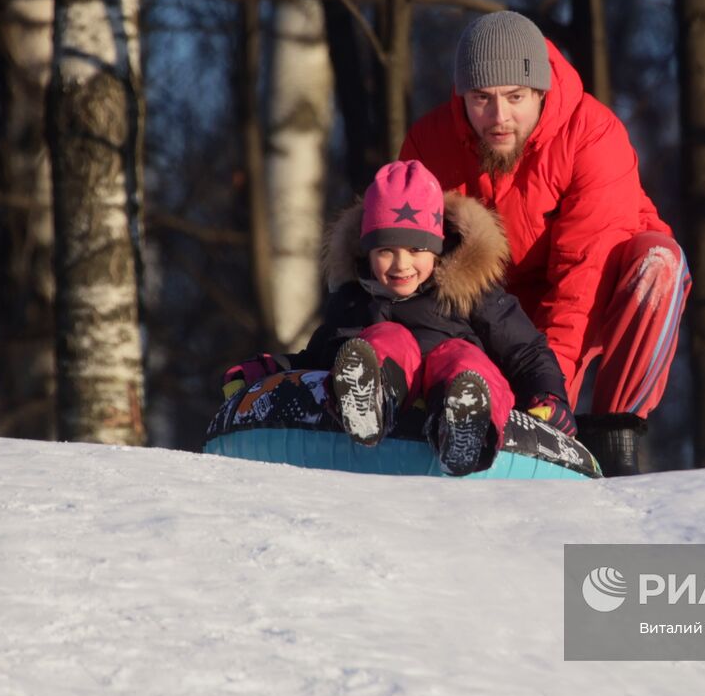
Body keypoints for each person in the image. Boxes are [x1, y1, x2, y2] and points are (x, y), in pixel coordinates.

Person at [399, 11, 688, 475]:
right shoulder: (429, 143)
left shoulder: (593, 134)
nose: (498, 116)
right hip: (498, 300)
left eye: (515, 97)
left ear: (540, 90)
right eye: (481, 99)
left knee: (660, 262)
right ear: (462, 96)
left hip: (597, 289)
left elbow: (584, 272)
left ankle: (613, 434)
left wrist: (553, 399)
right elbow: (413, 260)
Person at [222, 160, 575, 476]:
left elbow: (526, 351)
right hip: (388, 381)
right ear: (366, 251)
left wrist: (549, 397)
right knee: (383, 339)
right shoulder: (352, 301)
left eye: (417, 250)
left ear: (438, 247)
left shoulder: (470, 292)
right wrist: (268, 371)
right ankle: (370, 397)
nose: (401, 264)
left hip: (452, 378)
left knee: (462, 358)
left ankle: (465, 421)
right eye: (386, 250)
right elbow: (316, 358)